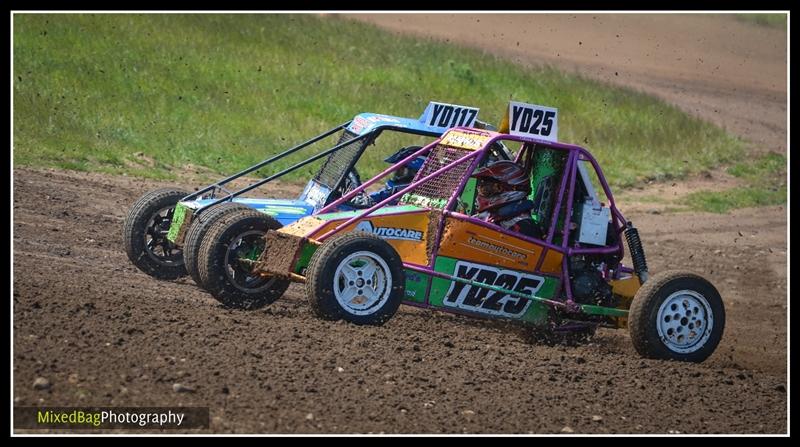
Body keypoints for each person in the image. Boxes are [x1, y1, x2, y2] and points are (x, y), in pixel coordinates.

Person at [471, 160, 541, 239]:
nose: (480, 195)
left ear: (502, 189)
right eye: (480, 189)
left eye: (485, 190)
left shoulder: (525, 227)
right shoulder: (491, 217)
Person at [346, 146, 426, 209]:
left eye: (402, 173)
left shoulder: (423, 202)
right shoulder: (392, 192)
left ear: (416, 175)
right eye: (398, 172)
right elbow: (375, 197)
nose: (397, 177)